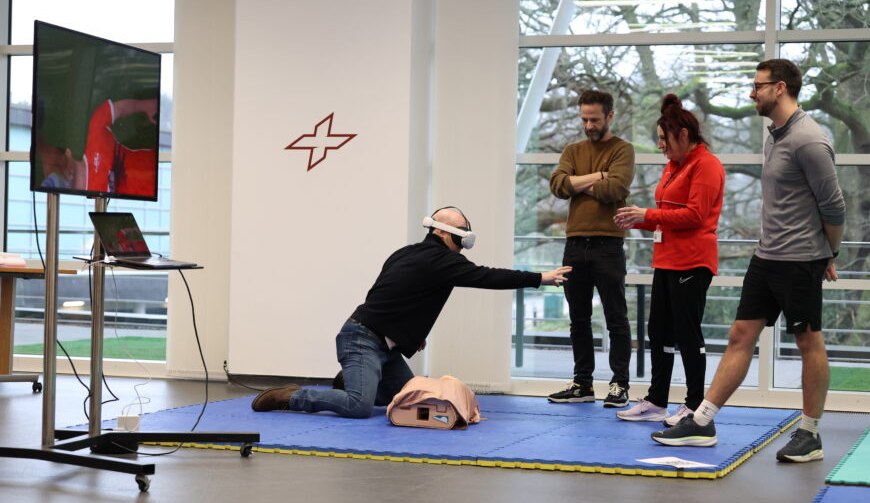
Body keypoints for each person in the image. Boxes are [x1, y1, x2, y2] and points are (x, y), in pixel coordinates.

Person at [652, 59, 845, 463]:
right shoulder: (774, 134)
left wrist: (830, 254)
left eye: (756, 86)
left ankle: (809, 434)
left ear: (779, 88)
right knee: (741, 335)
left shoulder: (810, 140)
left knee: (808, 341)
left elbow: (834, 206)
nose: (751, 93)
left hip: (800, 259)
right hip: (767, 256)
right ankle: (703, 420)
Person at [250, 206, 572, 418]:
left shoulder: (406, 253)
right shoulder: (442, 260)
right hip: (361, 339)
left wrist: (409, 334)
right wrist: (539, 278)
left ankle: (351, 382)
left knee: (406, 401)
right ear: (443, 233)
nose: (463, 247)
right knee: (359, 408)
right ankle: (291, 397)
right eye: (461, 237)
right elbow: (487, 276)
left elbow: (393, 295)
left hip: (385, 348)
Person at [612, 94, 724, 425]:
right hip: (666, 260)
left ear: (683, 135)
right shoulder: (673, 167)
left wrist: (647, 213)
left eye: (664, 139)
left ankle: (694, 404)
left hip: (692, 260)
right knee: (658, 332)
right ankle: (657, 400)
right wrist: (640, 219)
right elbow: (667, 214)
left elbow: (695, 215)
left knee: (687, 334)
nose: (661, 146)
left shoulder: (707, 165)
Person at [547, 89, 636, 407]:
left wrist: (578, 182)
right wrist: (598, 175)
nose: (588, 125)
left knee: (616, 317)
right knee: (578, 319)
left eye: (594, 119)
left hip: (608, 245)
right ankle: (582, 384)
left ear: (610, 116)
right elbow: (558, 185)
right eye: (584, 119)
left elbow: (616, 188)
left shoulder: (622, 150)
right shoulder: (573, 149)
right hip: (574, 245)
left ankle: (619, 385)